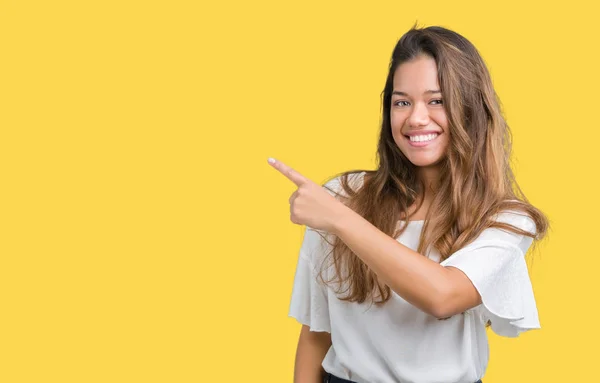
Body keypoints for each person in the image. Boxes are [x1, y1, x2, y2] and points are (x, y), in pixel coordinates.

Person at [267, 24, 548, 383]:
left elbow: (443, 295)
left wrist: (339, 218)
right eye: (402, 102)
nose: (416, 118)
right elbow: (317, 333)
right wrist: (339, 211)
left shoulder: (504, 219)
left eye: (437, 100)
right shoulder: (342, 195)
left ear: (471, 109)